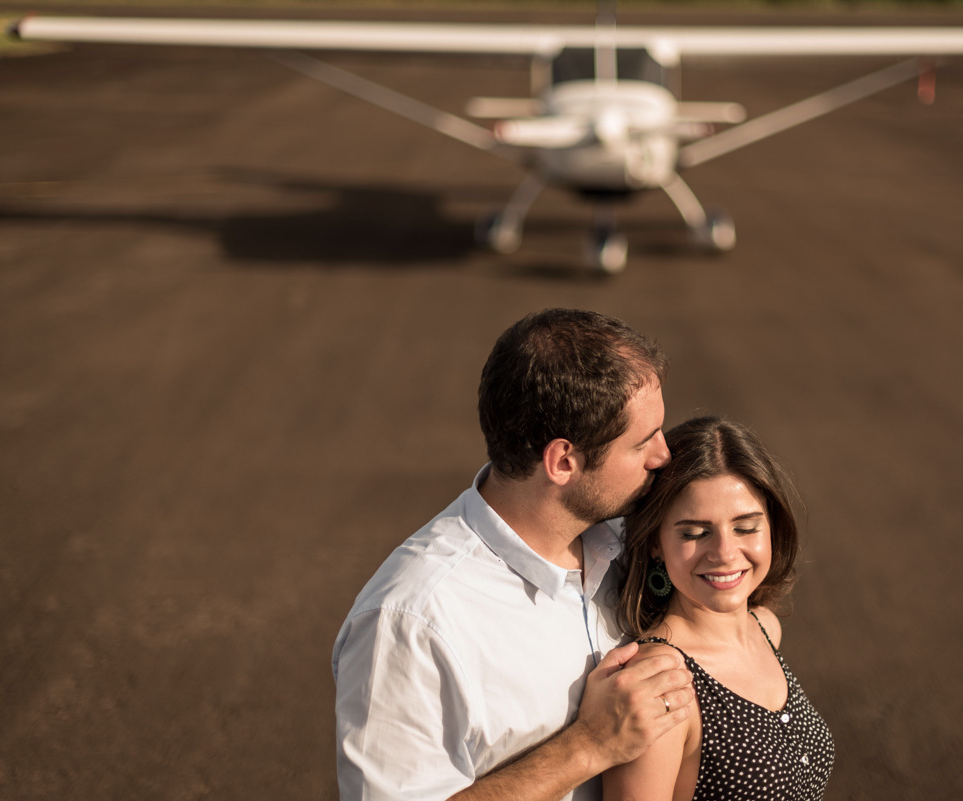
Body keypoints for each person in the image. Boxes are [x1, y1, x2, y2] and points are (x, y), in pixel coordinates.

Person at [332, 308, 694, 801]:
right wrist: (587, 746)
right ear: (563, 461)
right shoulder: (411, 621)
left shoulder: (632, 538)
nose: (664, 455)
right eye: (642, 441)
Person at [604, 416, 834, 801]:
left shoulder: (764, 627)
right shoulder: (660, 684)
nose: (725, 554)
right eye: (695, 533)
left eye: (746, 528)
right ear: (655, 542)